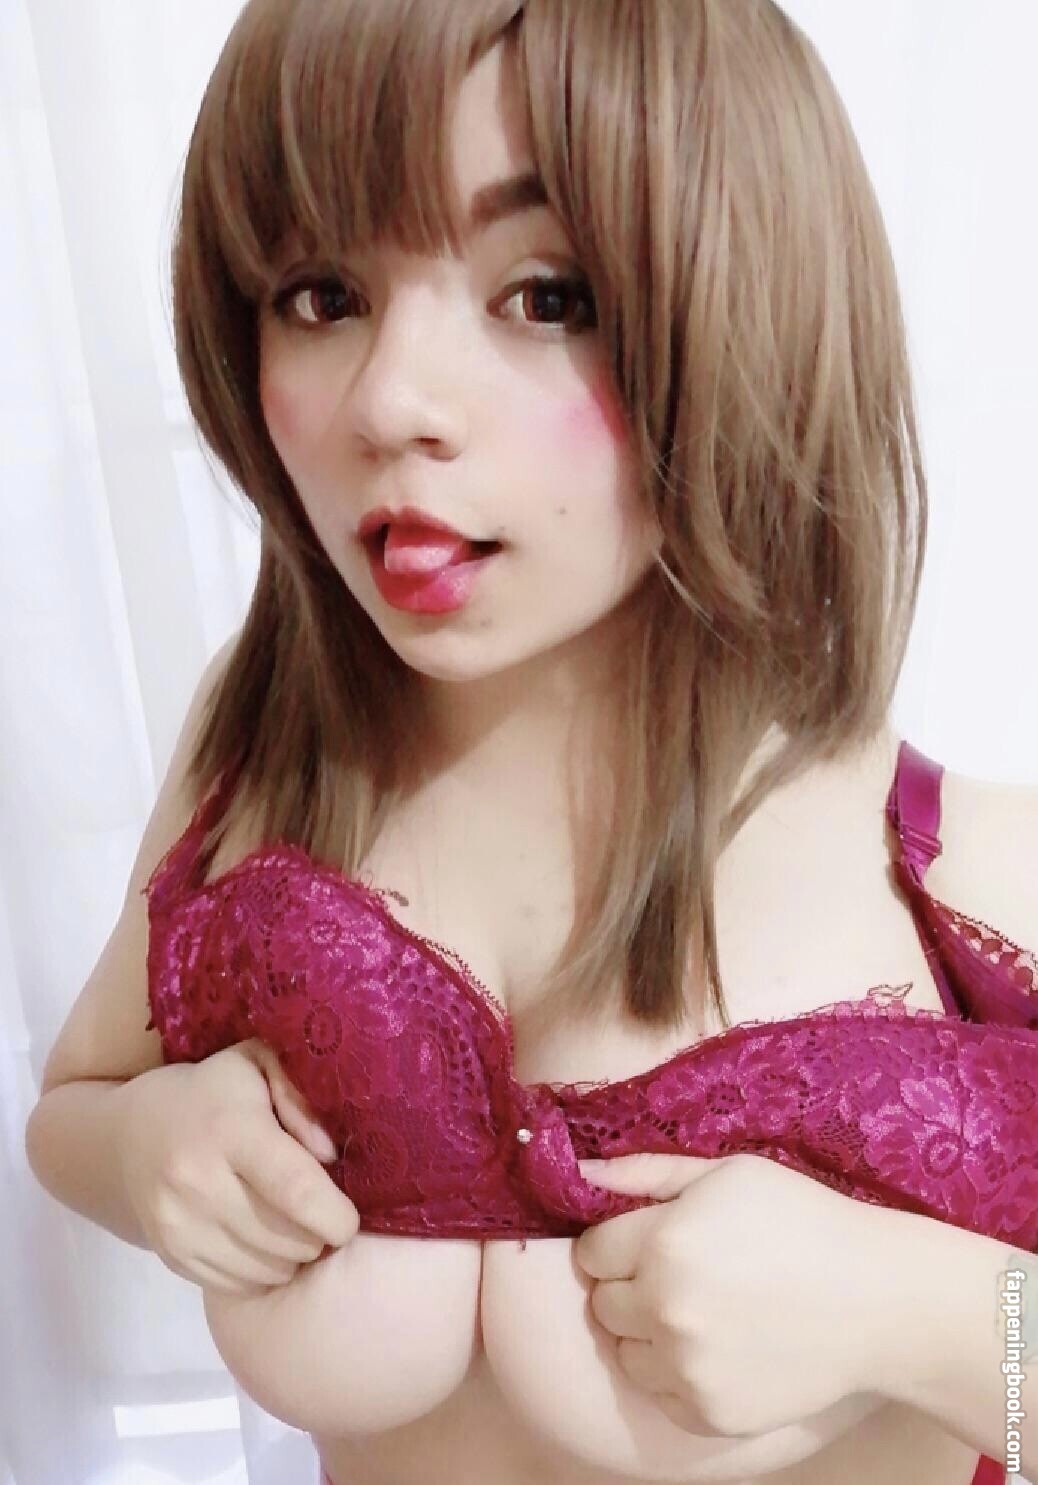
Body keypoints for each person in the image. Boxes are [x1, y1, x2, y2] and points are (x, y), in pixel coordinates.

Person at [25, 2, 1037, 1484]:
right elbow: (72, 1107)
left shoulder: (967, 876)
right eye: (319, 293)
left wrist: (923, 1316)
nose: (388, 402)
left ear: (745, 303)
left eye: (546, 295)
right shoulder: (264, 747)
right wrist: (146, 1152)